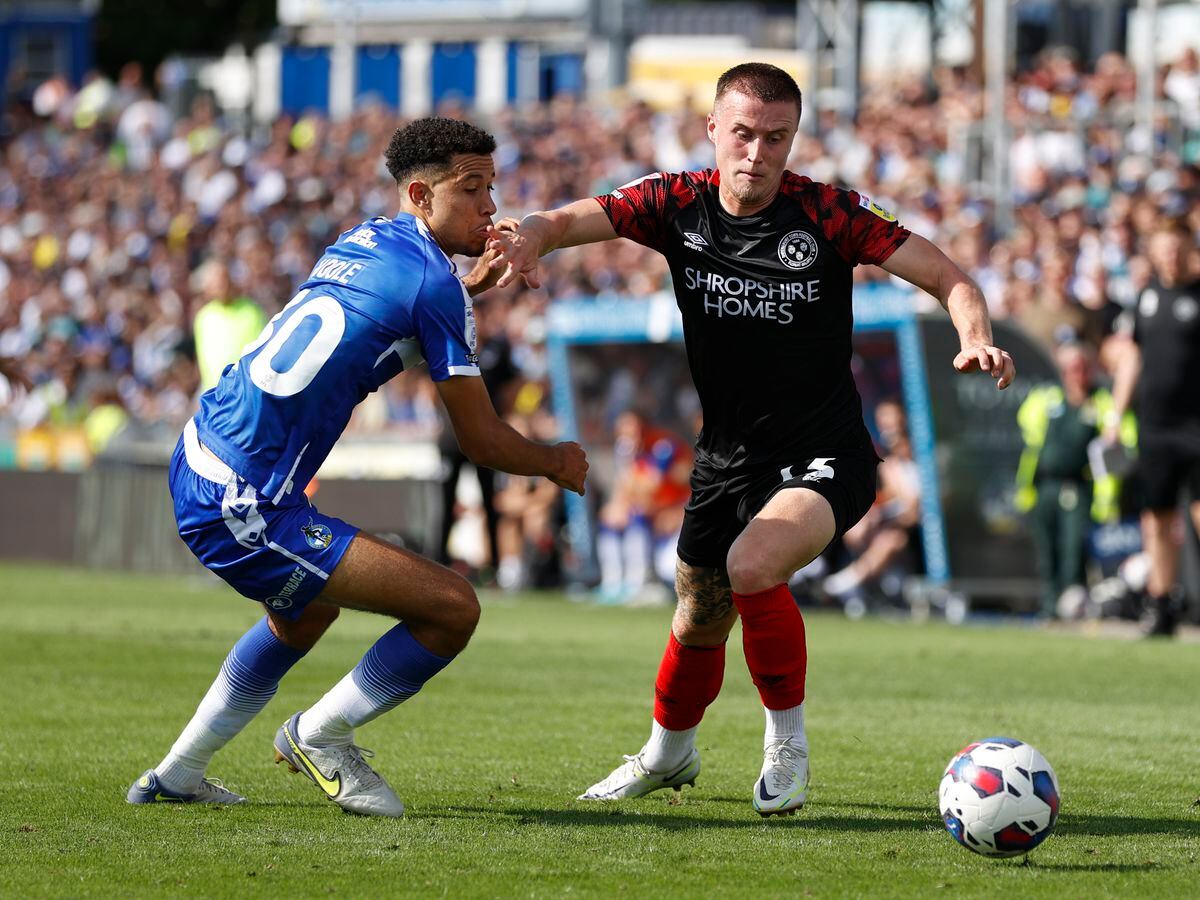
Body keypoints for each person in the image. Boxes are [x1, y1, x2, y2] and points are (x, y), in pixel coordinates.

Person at [491, 62, 1014, 816]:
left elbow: (949, 276)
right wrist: (532, 236)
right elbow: (573, 219)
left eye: (776, 137)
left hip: (828, 449)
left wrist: (975, 336)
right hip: (727, 455)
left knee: (753, 564)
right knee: (697, 612)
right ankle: (667, 754)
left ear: (792, 139)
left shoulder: (830, 214)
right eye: (742, 133)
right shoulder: (676, 202)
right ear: (712, 129)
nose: (756, 152)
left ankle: (787, 745)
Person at [126, 117, 588, 816]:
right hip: (245, 497)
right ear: (420, 193)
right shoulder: (435, 284)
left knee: (306, 613)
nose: (491, 207)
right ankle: (321, 736)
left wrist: (469, 291)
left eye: (492, 187)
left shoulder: (367, 238)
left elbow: (387, 316)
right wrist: (557, 460)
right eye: (473, 189)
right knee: (452, 608)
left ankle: (178, 773)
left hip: (203, 453)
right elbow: (484, 443)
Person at [1108, 219, 1200, 636]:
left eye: (1177, 249)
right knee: (1156, 517)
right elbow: (1132, 360)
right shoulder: (1147, 297)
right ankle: (1161, 604)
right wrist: (1116, 413)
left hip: (1196, 424)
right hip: (1155, 425)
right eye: (1164, 249)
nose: (1171, 257)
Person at [1013, 342, 1136, 618]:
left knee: (1072, 549)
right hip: (1044, 485)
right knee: (1047, 549)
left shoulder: (1101, 403)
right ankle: (1048, 605)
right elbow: (1029, 428)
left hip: (1077, 486)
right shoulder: (1048, 399)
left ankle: (1071, 606)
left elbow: (1122, 441)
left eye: (1079, 368)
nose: (1075, 374)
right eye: (1069, 369)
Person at [823, 399, 923, 612]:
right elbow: (893, 502)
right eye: (882, 420)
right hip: (892, 527)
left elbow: (916, 510)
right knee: (859, 528)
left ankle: (848, 583)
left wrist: (891, 517)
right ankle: (864, 585)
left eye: (891, 418)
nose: (887, 426)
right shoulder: (889, 466)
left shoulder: (925, 459)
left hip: (918, 536)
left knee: (892, 540)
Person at [191, 260, 268, 392]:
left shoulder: (251, 311)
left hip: (245, 391)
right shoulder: (203, 317)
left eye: (222, 280)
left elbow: (261, 351)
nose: (220, 286)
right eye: (214, 283)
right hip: (214, 394)